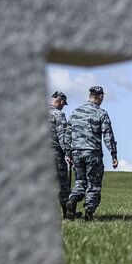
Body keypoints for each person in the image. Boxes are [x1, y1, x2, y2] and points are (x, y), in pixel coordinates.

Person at [65, 86, 118, 220]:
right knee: (93, 184)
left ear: (90, 96)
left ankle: (72, 200)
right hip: (92, 152)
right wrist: (113, 154)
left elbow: (68, 133)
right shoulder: (101, 113)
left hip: (76, 152)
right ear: (100, 97)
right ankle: (89, 213)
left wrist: (67, 152)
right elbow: (108, 136)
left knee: (79, 181)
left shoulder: (75, 112)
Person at [48, 90, 74, 218]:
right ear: (61, 101)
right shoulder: (58, 114)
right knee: (63, 185)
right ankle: (67, 213)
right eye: (64, 104)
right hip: (54, 153)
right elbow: (62, 136)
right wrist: (68, 154)